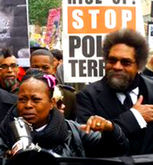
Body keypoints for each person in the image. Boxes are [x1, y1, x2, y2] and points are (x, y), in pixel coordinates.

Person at [76, 28, 153, 155]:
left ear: (139, 65)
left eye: (126, 62)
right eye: (112, 60)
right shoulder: (87, 96)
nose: (117, 67)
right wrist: (134, 117)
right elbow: (88, 143)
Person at [0, 68, 129, 161]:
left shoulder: (74, 132)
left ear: (51, 103)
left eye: (36, 99)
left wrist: (111, 129)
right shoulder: (3, 135)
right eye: (22, 99)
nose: (28, 105)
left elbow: (118, 149)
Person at [30, 49, 76, 120]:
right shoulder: (18, 95)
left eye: (45, 67)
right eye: (36, 67)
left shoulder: (68, 96)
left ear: (53, 70)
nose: (40, 71)